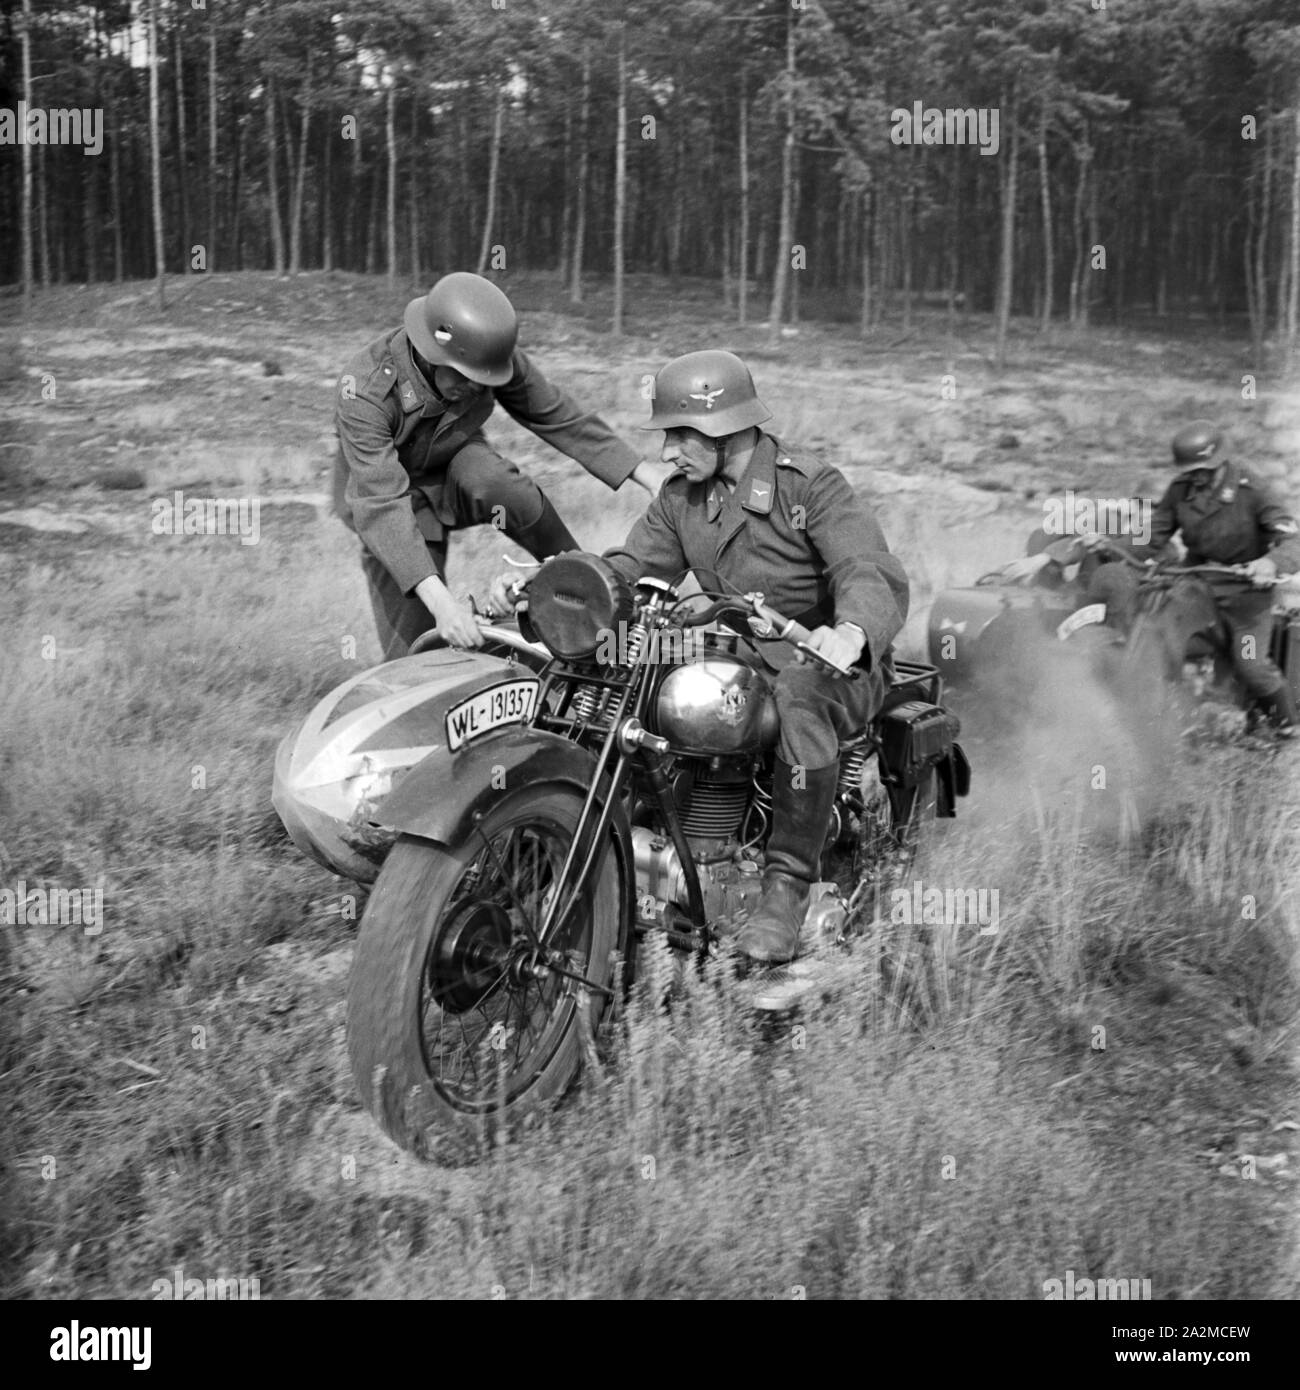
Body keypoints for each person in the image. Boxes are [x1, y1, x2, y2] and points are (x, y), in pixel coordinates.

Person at [498, 349, 909, 964]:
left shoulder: (809, 485)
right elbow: (631, 571)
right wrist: (556, 583)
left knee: (798, 693)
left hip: (829, 667)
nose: (668, 452)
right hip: (736, 653)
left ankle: (786, 889)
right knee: (621, 673)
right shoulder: (682, 499)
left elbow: (868, 568)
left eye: (681, 434)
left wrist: (849, 633)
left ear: (729, 427)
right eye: (668, 435)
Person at [333, 271, 669, 659]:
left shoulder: (484, 353)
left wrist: (647, 476)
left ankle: (588, 590)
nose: (476, 389)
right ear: (430, 353)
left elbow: (556, 414)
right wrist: (444, 606)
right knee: (414, 657)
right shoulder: (365, 390)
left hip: (457, 464)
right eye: (465, 379)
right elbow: (382, 504)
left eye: (482, 381)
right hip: (387, 498)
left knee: (496, 483)